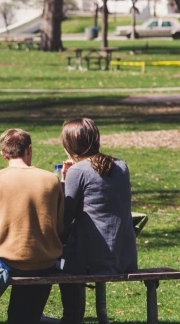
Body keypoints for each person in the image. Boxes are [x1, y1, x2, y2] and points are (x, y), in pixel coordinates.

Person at [0, 128, 64, 324]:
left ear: (3, 155)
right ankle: (26, 317)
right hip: (47, 261)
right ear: (29, 149)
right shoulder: (52, 180)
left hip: (10, 261)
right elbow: (58, 228)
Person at [57, 118, 138, 324]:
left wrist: (65, 180)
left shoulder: (78, 171)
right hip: (124, 256)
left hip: (92, 259)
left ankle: (71, 318)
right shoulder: (121, 166)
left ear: (69, 145)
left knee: (48, 258)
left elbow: (66, 217)